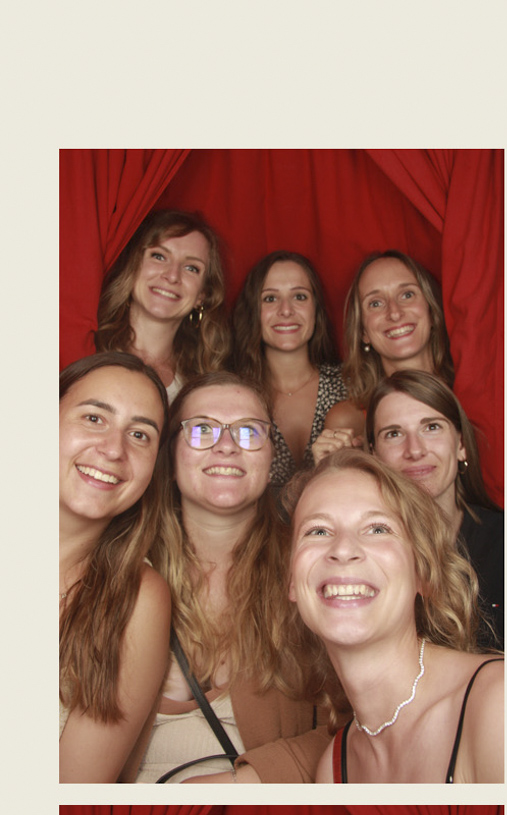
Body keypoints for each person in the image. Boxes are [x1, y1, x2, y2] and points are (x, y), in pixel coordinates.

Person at [236, 452, 502, 785]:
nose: (343, 549)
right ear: (292, 582)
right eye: (318, 531)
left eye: (377, 528)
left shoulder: (497, 704)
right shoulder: (333, 771)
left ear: (423, 573)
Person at [127, 374, 318, 781]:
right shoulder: (117, 568)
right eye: (202, 429)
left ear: (271, 457)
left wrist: (249, 781)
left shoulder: (313, 568)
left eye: (248, 431)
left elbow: (372, 724)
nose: (227, 445)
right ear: (170, 456)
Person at [59, 354, 171, 782]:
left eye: (140, 434)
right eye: (94, 418)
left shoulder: (138, 598)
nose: (113, 449)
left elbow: (73, 786)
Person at [358, 370, 504, 647]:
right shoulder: (360, 551)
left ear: (461, 444)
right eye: (394, 434)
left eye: (432, 427)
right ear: (374, 454)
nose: (415, 450)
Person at [228, 252, 350, 488]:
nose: (286, 310)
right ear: (253, 311)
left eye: (299, 296)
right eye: (270, 298)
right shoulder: (233, 395)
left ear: (316, 309)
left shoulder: (351, 385)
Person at [95, 209, 228, 398]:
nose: (172, 276)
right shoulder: (86, 349)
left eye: (191, 268)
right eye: (159, 256)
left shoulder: (205, 380)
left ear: (202, 295)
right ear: (132, 266)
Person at [332, 251, 454, 434]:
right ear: (363, 331)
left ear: (432, 312)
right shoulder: (348, 421)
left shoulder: (473, 397)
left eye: (407, 295)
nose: (395, 313)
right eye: (375, 303)